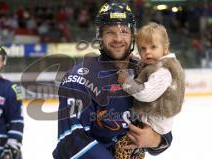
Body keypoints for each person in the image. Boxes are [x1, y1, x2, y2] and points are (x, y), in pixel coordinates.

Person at [53, 2, 172, 159]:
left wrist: (155, 140)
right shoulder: (79, 78)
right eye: (110, 32)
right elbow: (70, 140)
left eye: (124, 31)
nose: (118, 38)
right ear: (100, 36)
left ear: (132, 36)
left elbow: (163, 126)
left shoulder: (147, 73)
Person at [116, 22, 185, 158]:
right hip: (153, 123)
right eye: (142, 49)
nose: (147, 52)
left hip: (154, 125)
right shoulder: (155, 64)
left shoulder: (163, 70)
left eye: (153, 47)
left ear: (165, 48)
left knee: (124, 148)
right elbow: (144, 68)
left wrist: (126, 81)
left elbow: (145, 93)